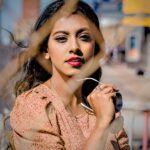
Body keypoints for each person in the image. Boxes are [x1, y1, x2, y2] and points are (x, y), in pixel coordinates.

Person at [10, 0, 129, 149]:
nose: (74, 47)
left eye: (84, 37)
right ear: (45, 50)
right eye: (61, 38)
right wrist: (102, 124)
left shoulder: (101, 104)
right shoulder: (34, 106)